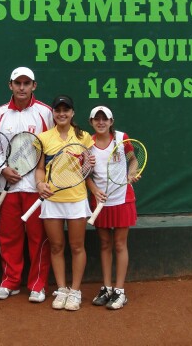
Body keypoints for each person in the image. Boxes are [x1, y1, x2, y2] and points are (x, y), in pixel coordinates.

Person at [0, 67, 54, 303]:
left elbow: (52, 148)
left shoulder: (45, 113)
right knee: (8, 237)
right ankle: (10, 281)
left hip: (36, 191)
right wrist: (1, 169)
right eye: (18, 83)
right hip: (7, 189)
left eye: (26, 83)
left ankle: (37, 284)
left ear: (34, 86)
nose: (22, 87)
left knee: (38, 238)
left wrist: (42, 181)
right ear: (10, 85)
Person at [35, 95, 94, 311]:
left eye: (66, 110)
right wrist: (40, 184)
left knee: (77, 246)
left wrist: (90, 164)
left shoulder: (84, 137)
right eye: (58, 110)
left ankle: (75, 291)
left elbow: (88, 168)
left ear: (72, 113)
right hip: (52, 200)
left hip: (76, 199)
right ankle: (61, 289)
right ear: (53, 113)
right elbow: (39, 167)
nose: (62, 114)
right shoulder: (43, 138)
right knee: (57, 246)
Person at [86, 105, 139, 310]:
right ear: (91, 122)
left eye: (104, 119)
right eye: (96, 119)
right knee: (105, 245)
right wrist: (93, 190)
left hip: (122, 199)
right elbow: (86, 174)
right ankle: (107, 287)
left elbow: (133, 160)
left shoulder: (121, 138)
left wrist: (131, 174)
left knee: (119, 245)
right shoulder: (87, 143)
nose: (101, 122)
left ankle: (119, 291)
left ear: (111, 121)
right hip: (100, 202)